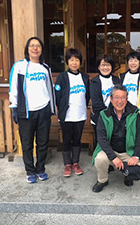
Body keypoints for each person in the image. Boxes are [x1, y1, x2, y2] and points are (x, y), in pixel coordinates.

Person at [9, 37, 56, 183]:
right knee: (27, 143)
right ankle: (30, 171)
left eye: (38, 46)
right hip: (26, 111)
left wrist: (51, 107)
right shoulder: (19, 66)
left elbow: (50, 89)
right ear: (27, 49)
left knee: (43, 142)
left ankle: (40, 169)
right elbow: (13, 88)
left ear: (42, 49)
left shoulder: (45, 68)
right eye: (32, 46)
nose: (35, 48)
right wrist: (15, 107)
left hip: (43, 110)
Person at [92, 84, 140, 192]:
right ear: (111, 99)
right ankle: (102, 180)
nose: (119, 101)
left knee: (138, 170)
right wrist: (113, 157)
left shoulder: (134, 113)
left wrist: (136, 156)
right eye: (116, 97)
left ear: (127, 99)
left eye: (122, 97)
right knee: (100, 159)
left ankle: (127, 174)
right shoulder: (104, 114)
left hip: (127, 152)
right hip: (111, 151)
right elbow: (101, 138)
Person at [55, 48, 90, 177]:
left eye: (77, 60)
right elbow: (57, 95)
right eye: (71, 60)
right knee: (66, 140)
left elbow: (87, 96)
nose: (74, 63)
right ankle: (67, 165)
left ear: (80, 62)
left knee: (77, 139)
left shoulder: (85, 77)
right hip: (67, 116)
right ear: (67, 62)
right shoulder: (63, 77)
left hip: (80, 115)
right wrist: (63, 109)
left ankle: (75, 162)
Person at [90, 54, 120, 145]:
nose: (105, 67)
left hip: (115, 117)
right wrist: (108, 113)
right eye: (103, 65)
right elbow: (96, 102)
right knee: (101, 144)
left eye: (108, 65)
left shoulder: (117, 80)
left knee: (114, 143)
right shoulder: (94, 81)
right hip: (100, 117)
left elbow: (120, 98)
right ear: (98, 67)